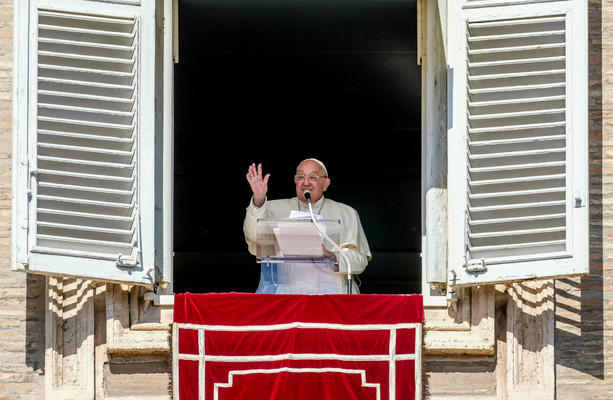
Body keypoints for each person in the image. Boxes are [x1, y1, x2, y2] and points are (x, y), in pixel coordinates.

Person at [243, 158, 371, 294]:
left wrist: (333, 257)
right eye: (301, 177)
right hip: (288, 293)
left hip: (333, 293)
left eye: (313, 177)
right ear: (295, 181)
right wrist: (258, 199)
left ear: (325, 184)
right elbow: (255, 239)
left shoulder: (346, 213)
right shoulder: (272, 208)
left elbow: (360, 261)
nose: (306, 183)